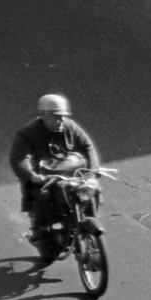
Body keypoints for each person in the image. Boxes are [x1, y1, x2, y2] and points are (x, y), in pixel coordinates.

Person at [9, 94, 102, 266]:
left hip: (71, 171)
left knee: (91, 189)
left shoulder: (69, 126)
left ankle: (87, 222)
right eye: (56, 117)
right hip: (45, 177)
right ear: (44, 116)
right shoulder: (26, 134)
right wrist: (33, 177)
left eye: (62, 117)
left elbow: (87, 146)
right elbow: (19, 159)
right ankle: (42, 235)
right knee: (42, 197)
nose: (61, 121)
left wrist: (92, 171)